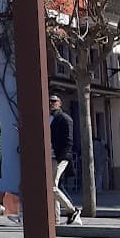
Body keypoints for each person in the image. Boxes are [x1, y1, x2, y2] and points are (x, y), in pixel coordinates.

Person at [49, 94, 81, 224]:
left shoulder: (65, 118)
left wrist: (61, 156)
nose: (51, 103)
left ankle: (72, 210)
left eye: (54, 101)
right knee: (54, 186)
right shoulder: (48, 118)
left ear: (60, 103)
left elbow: (69, 141)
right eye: (50, 101)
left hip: (60, 157)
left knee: (52, 187)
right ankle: (55, 219)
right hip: (50, 157)